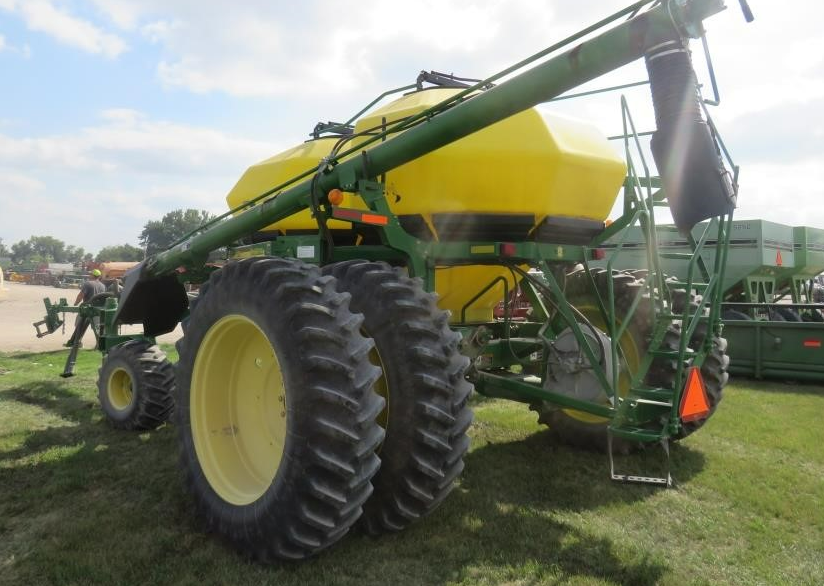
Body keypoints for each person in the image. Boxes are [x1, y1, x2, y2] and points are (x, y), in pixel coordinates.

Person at [65, 269, 107, 347]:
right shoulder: (103, 286)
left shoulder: (88, 284)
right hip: (98, 310)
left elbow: (81, 295)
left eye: (90, 274)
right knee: (98, 328)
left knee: (79, 325)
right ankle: (99, 345)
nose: (89, 275)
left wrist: (76, 303)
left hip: (87, 309)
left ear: (92, 275)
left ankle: (78, 342)